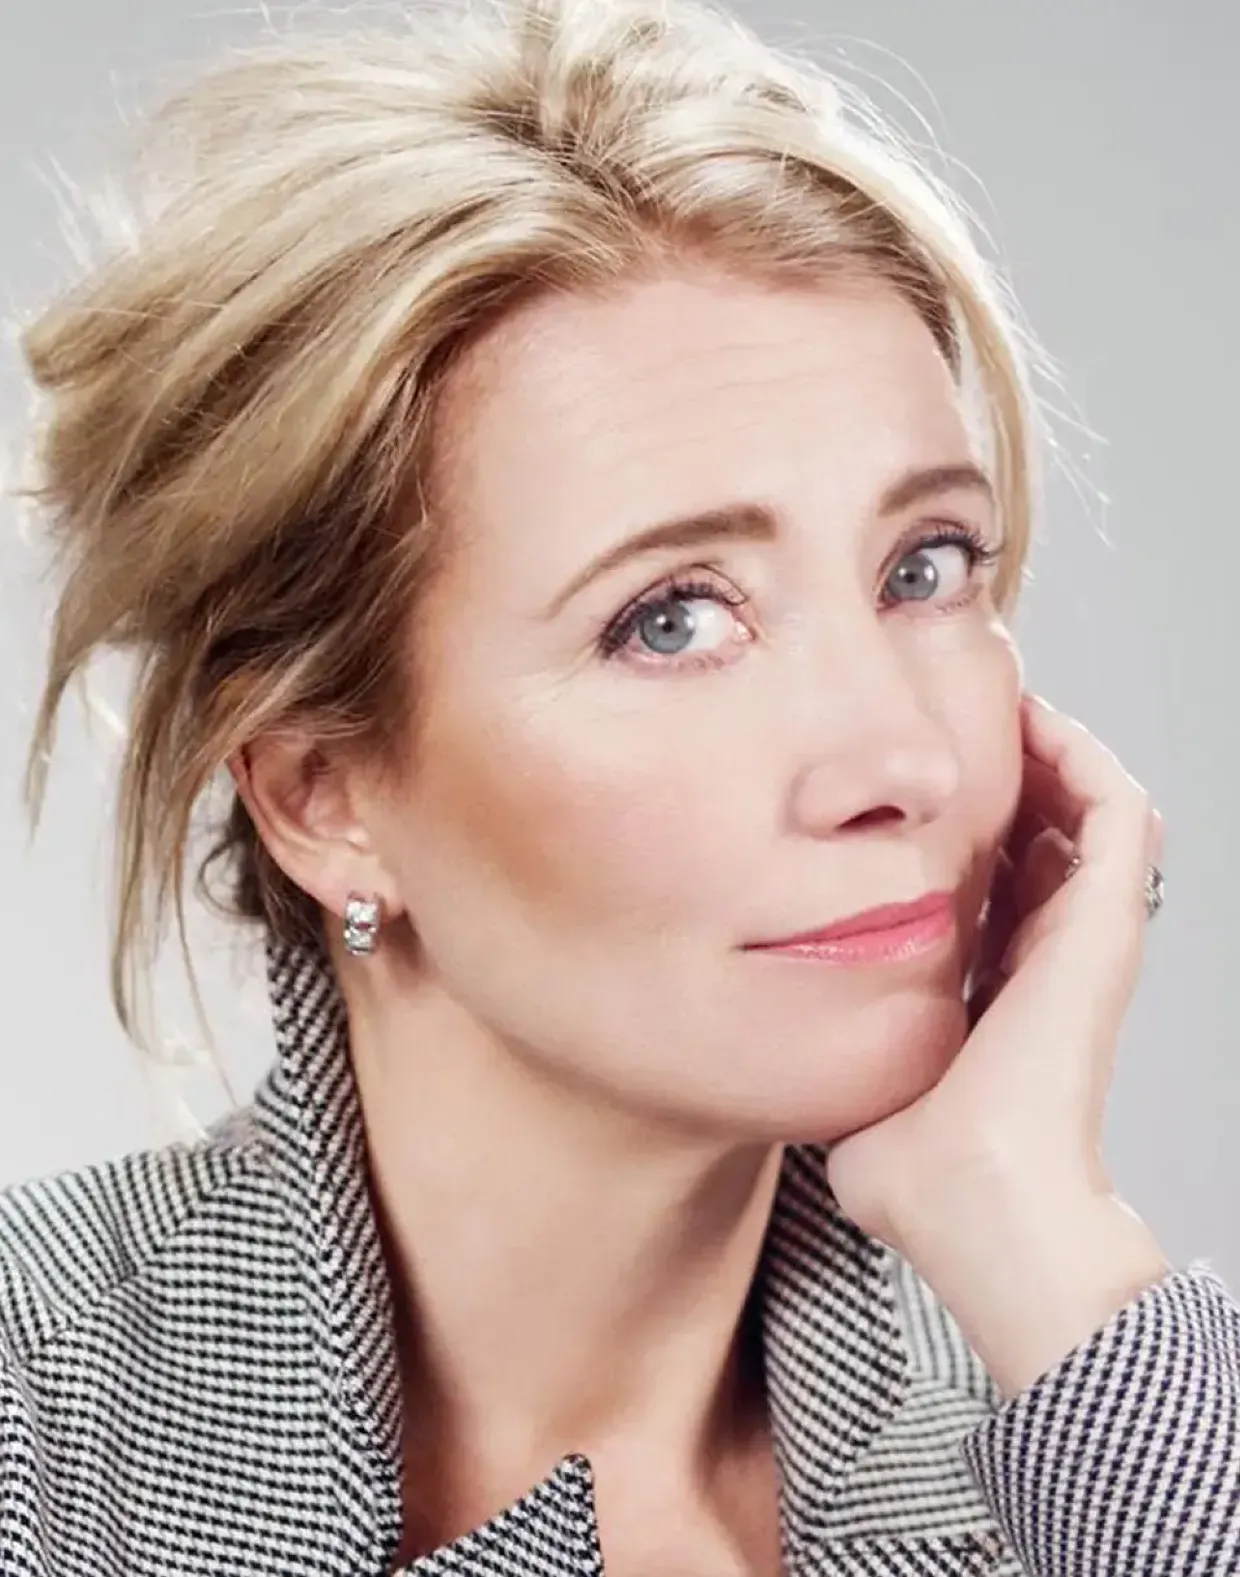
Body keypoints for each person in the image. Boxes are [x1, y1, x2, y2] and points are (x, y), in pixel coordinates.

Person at [1, 0, 1235, 1572]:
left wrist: (1033, 1232)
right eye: (672, 620)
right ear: (322, 796)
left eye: (925, 567)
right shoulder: (39, 1426)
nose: (906, 762)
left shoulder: (1077, 1415)